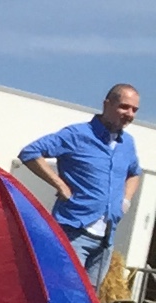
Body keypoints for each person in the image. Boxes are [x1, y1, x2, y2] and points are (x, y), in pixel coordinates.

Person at [18, 84, 141, 290]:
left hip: (106, 239)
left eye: (134, 110)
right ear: (107, 104)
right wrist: (60, 184)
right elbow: (30, 153)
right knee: (66, 292)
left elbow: (135, 173)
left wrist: (125, 201)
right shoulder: (77, 134)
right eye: (124, 107)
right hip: (73, 232)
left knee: (90, 299)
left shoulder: (127, 143)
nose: (129, 114)